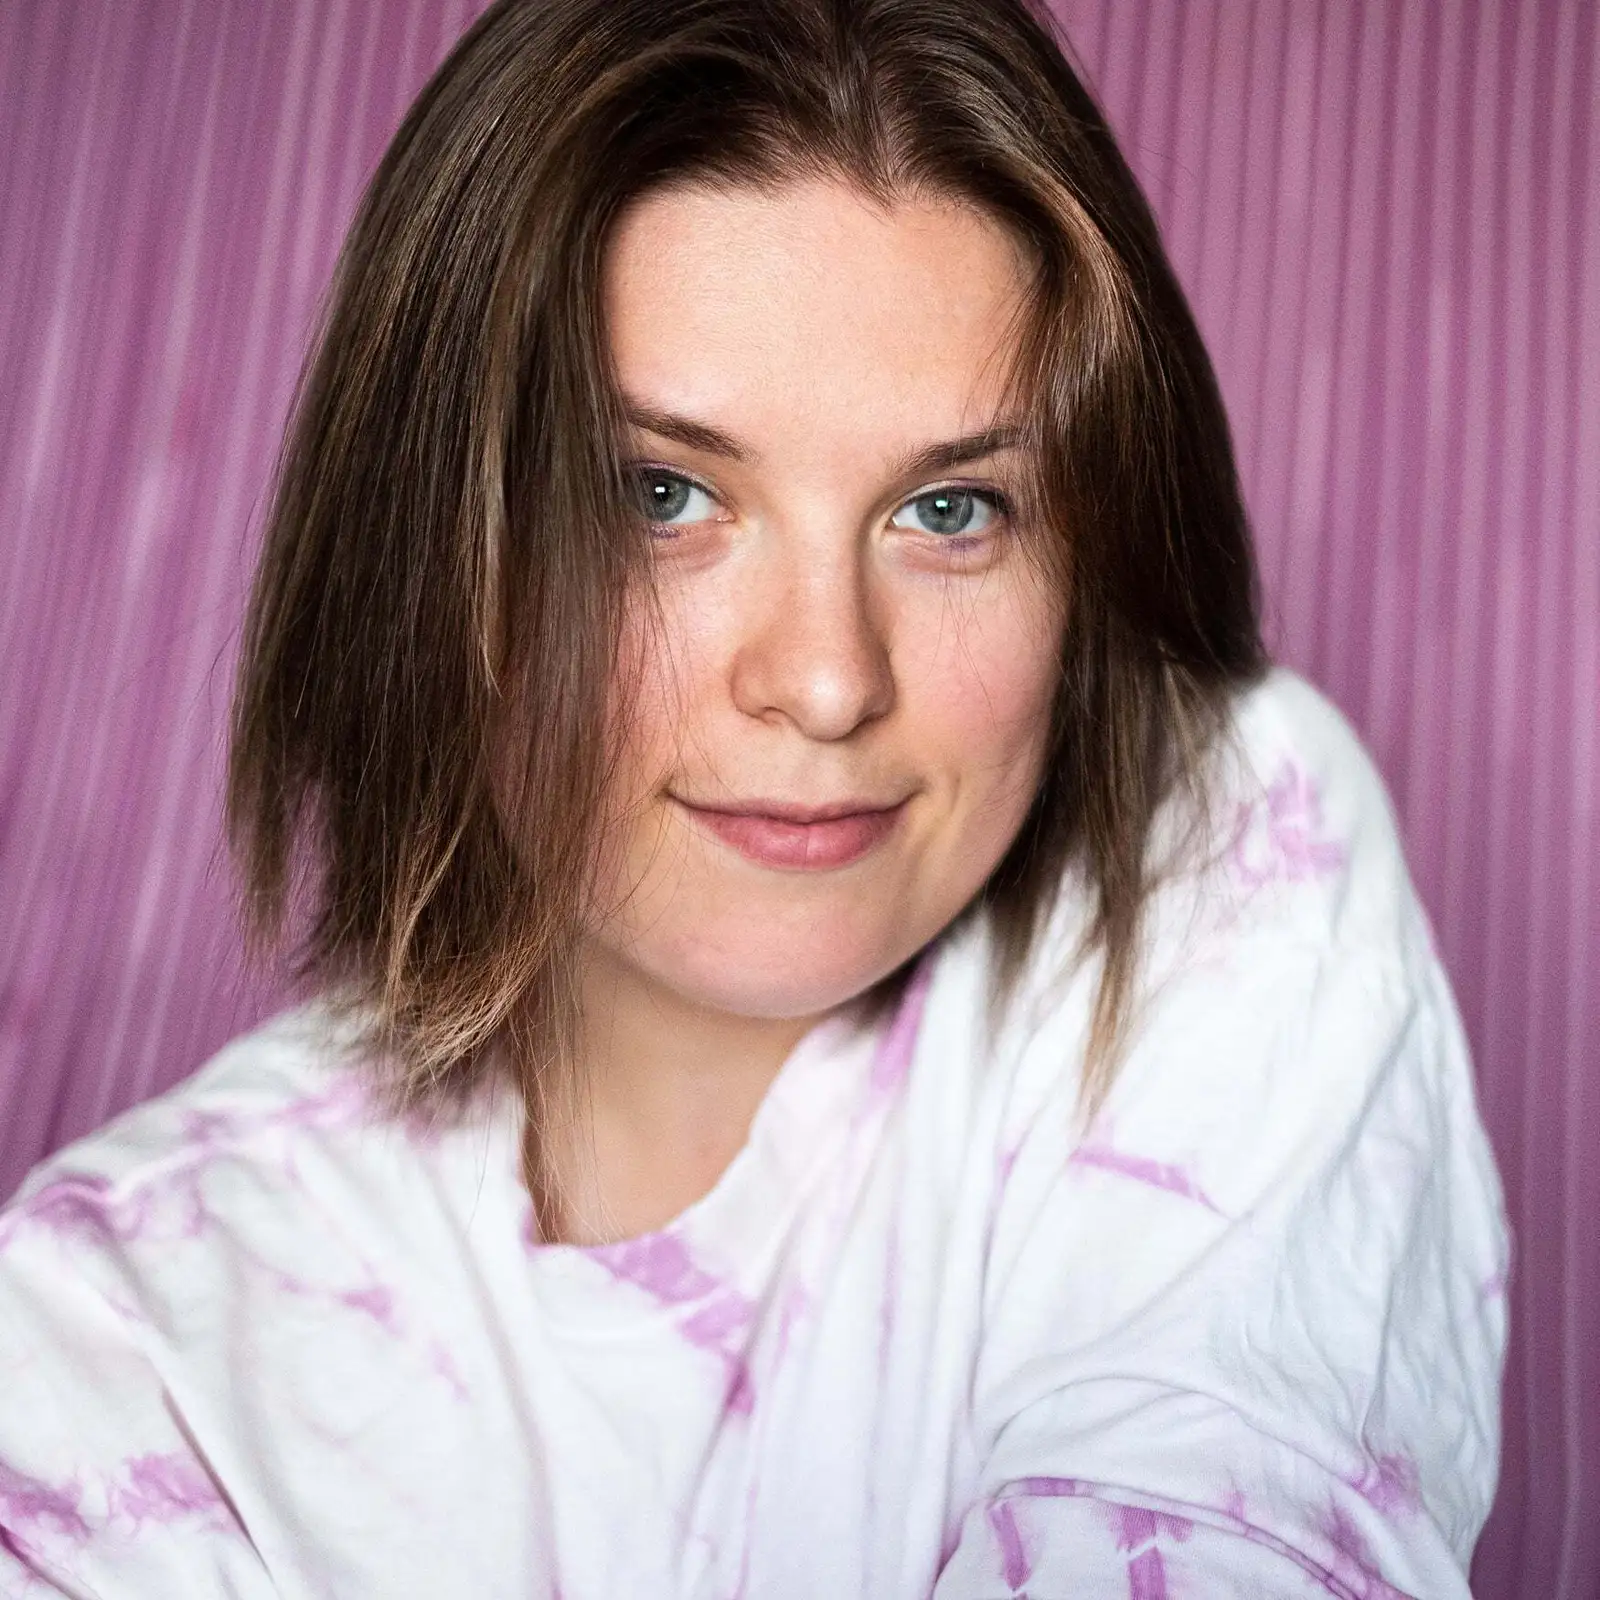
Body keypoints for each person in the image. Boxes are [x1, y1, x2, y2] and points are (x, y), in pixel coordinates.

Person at [0, 0, 1508, 1594]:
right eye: (663, 495)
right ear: (431, 547)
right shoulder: (108, 1359)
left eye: (951, 510)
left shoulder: (1211, 858)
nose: (829, 679)